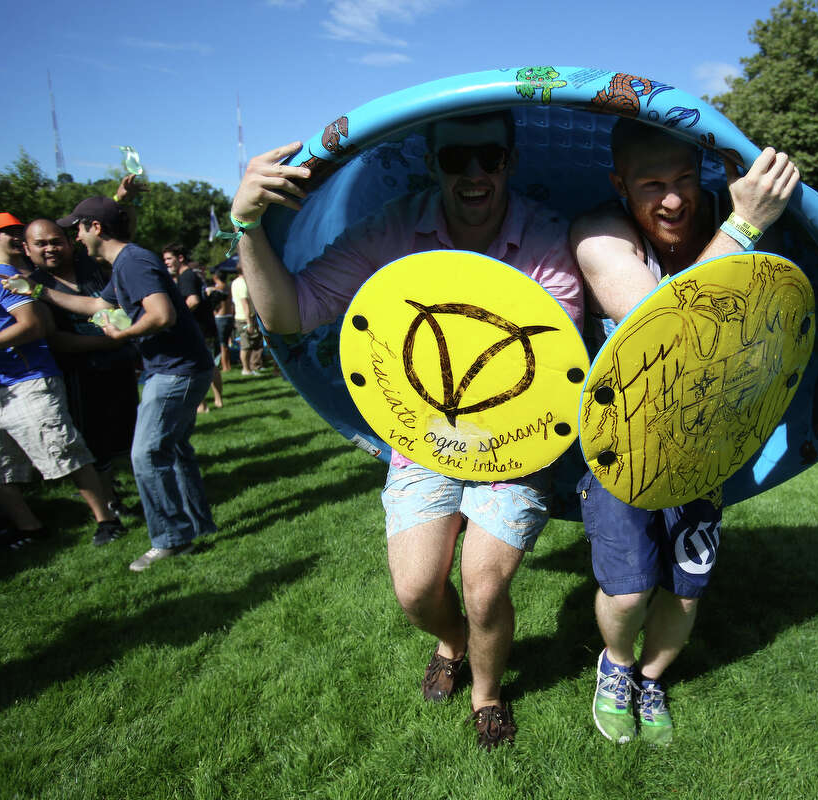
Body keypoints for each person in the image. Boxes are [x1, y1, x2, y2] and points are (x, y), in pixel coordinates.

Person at [230, 111, 582, 749]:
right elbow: (288, 313)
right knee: (418, 591)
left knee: (483, 585)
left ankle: (488, 693)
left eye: (490, 157)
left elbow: (545, 368)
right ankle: (450, 642)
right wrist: (247, 225)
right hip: (422, 438)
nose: (474, 172)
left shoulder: (546, 238)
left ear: (511, 160)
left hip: (514, 441)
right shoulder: (395, 229)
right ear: (430, 162)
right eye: (456, 159)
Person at [569, 118, 799, 745]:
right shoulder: (598, 233)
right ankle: (615, 666)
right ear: (620, 184)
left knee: (686, 590)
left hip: (706, 446)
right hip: (625, 449)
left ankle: (650, 678)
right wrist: (743, 227)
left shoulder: (714, 226)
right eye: (651, 184)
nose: (672, 200)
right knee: (627, 591)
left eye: (683, 179)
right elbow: (665, 326)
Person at [11, 196, 217, 571]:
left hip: (176, 370)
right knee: (174, 449)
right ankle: (196, 526)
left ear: (96, 228)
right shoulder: (124, 264)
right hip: (172, 367)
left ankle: (171, 540)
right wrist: (39, 291)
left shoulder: (133, 262)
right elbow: (95, 307)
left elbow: (161, 315)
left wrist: (121, 337)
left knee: (147, 455)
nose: (74, 235)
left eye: (77, 227)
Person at [0, 236, 124, 548]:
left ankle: (107, 520)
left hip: (26, 377)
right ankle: (29, 527)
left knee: (64, 450)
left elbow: (31, 325)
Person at [23, 218, 138, 508]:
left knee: (132, 435)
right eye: (41, 244)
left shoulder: (89, 264)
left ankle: (149, 494)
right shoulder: (32, 287)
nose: (50, 248)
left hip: (120, 367)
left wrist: (125, 203)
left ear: (69, 241)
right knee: (94, 443)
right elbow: (56, 340)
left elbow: (121, 235)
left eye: (55, 241)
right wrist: (112, 340)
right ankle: (111, 502)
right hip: (80, 375)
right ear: (27, 249)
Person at [163, 244, 224, 410]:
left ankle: (202, 405)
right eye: (165, 259)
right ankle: (217, 401)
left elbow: (193, 301)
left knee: (199, 366)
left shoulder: (186, 276)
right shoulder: (190, 275)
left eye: (169, 258)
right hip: (205, 326)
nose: (166, 262)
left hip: (198, 329)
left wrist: (177, 316)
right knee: (210, 365)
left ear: (180, 258)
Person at [230, 262, 263, 375]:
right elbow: (245, 305)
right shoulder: (243, 284)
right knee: (246, 345)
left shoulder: (235, 282)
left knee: (253, 343)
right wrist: (249, 323)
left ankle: (253, 366)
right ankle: (246, 369)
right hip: (244, 318)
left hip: (243, 317)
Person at [210, 270, 234, 372]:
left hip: (221, 317)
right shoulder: (229, 287)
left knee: (222, 343)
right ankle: (227, 364)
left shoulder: (218, 288)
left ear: (215, 277)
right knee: (226, 343)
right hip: (229, 316)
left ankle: (225, 366)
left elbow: (215, 305)